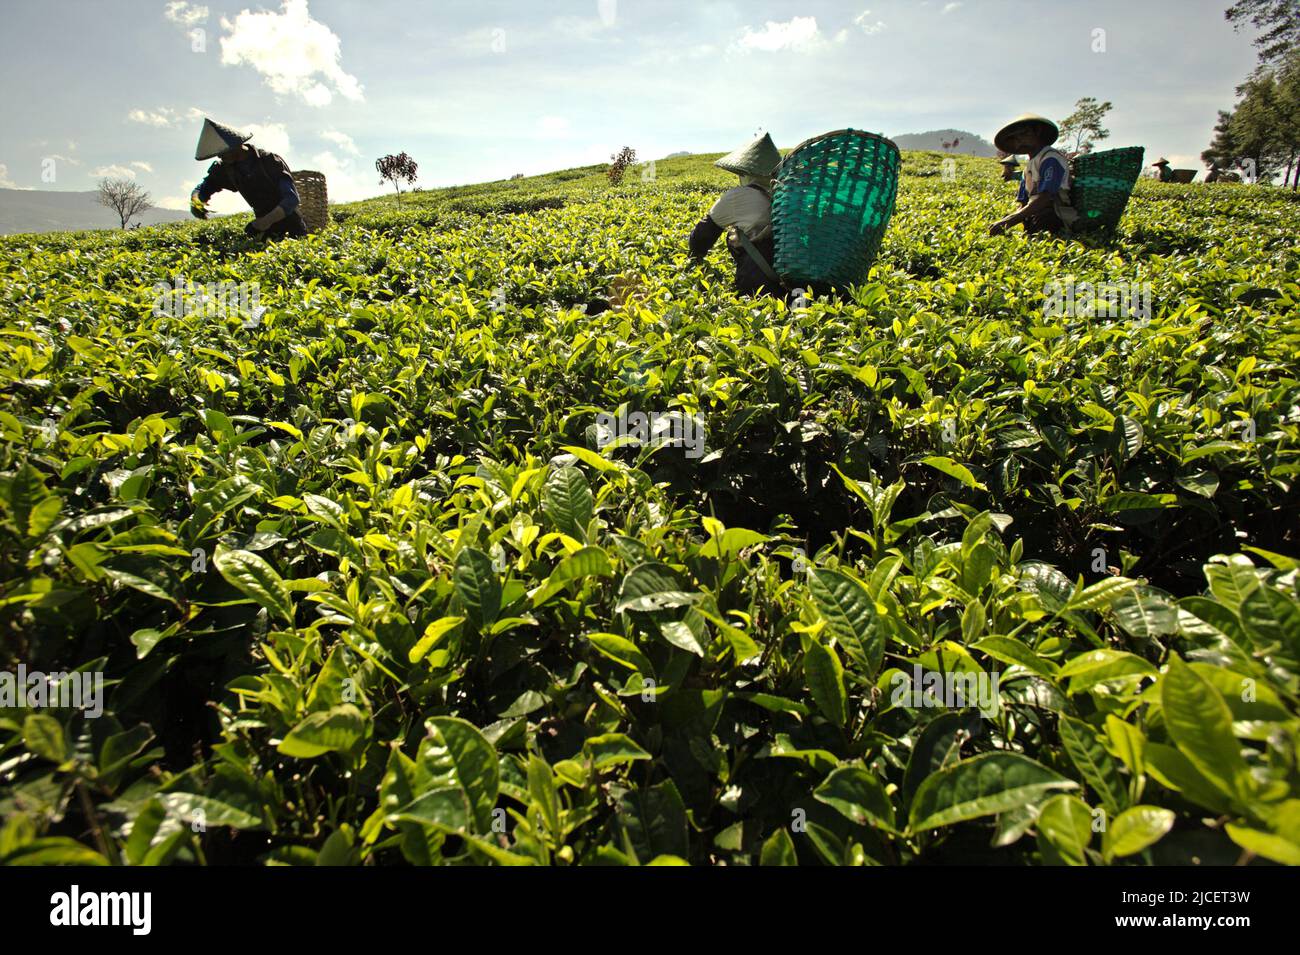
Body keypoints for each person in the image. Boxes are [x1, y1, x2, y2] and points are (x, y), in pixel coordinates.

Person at [688, 132, 785, 297]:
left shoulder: (738, 196)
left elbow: (703, 235)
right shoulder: (786, 194)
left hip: (757, 283)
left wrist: (693, 258)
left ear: (746, 173)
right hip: (792, 282)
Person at [190, 118, 307, 240]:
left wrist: (263, 223)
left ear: (236, 146)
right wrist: (196, 201)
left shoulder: (269, 161)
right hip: (264, 231)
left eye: (223, 152)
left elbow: (291, 199)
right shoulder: (225, 168)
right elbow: (204, 187)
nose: (220, 156)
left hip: (292, 228)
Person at [987, 113, 1078, 236]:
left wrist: (1009, 221)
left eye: (1024, 133)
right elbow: (1024, 202)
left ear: (1038, 133)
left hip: (1056, 213)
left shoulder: (1050, 158)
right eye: (1016, 137)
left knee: (1043, 220)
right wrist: (1008, 220)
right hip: (1034, 213)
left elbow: (1045, 198)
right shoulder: (1028, 167)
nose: (1019, 139)